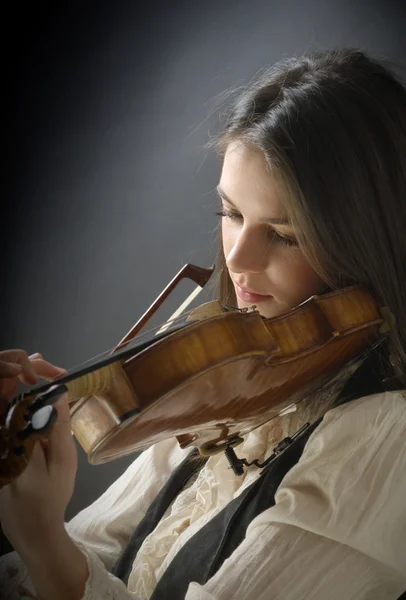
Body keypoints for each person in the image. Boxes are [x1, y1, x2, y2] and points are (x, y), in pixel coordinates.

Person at [1, 46, 406, 600]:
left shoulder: (385, 437)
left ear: (364, 244)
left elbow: (59, 560)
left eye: (284, 235)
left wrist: (42, 541)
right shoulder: (235, 377)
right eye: (231, 213)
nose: (236, 259)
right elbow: (93, 551)